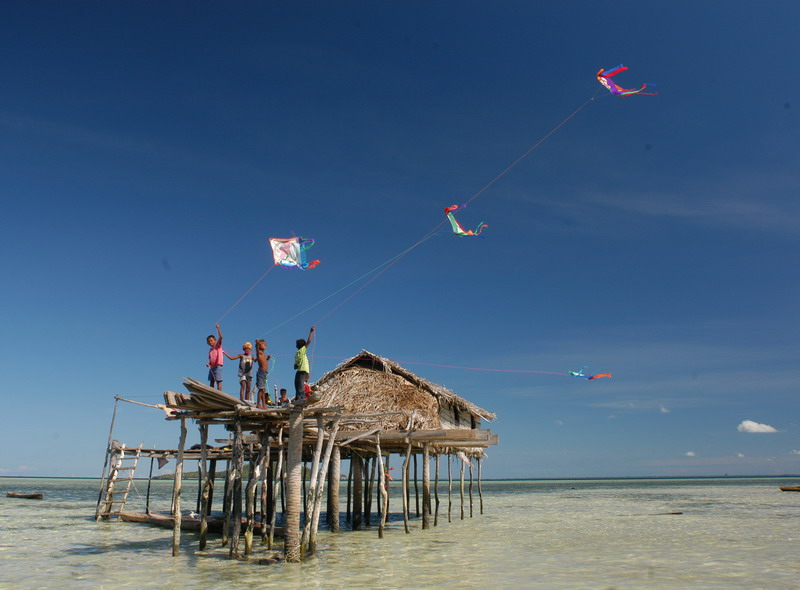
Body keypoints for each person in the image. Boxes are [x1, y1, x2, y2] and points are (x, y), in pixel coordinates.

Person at [293, 326, 314, 401]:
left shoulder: (302, 350)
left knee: (300, 383)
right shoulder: (297, 353)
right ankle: (298, 397)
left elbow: (309, 341)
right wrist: (295, 365)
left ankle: (301, 397)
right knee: (296, 382)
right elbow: (296, 365)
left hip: (303, 369)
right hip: (300, 369)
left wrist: (311, 332)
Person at [254, 339, 272, 407]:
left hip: (265, 373)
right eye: (264, 345)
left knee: (263, 390)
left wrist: (267, 359)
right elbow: (257, 349)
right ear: (260, 346)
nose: (266, 346)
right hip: (261, 373)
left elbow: (264, 362)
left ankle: (264, 404)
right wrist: (257, 343)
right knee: (261, 389)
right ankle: (258, 404)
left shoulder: (263, 354)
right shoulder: (259, 353)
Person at [206, 324, 224, 390]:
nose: (210, 342)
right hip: (212, 367)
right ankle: (211, 393)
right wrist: (208, 363)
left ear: (215, 340)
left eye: (211, 340)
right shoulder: (210, 350)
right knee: (211, 381)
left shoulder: (218, 346)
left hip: (218, 366)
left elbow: (221, 337)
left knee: (218, 381)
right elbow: (211, 360)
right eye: (209, 341)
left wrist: (218, 328)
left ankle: (219, 393)